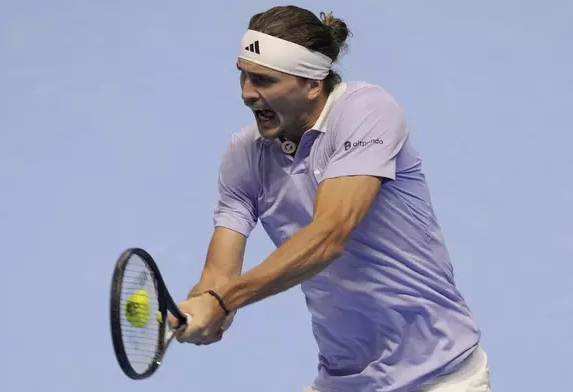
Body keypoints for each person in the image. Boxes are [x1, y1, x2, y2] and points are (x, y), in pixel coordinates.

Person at [168, 5, 491, 392]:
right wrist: (202, 310)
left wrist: (223, 299)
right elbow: (219, 276)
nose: (246, 94)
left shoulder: (366, 111)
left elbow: (330, 234)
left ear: (312, 85)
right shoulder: (244, 155)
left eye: (264, 80)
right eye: (243, 75)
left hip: (440, 377)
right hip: (343, 382)